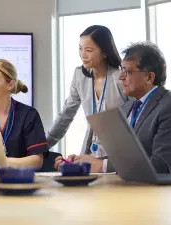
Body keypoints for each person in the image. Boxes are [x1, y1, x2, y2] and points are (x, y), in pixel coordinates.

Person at [76, 42, 171, 173]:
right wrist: (87, 161)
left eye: (127, 71)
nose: (121, 77)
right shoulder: (128, 106)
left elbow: (162, 165)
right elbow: (123, 159)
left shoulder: (167, 107)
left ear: (149, 77)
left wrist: (102, 166)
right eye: (121, 70)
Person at [52, 25, 129, 172]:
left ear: (105, 52)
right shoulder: (79, 75)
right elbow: (66, 114)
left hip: (117, 158)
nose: (83, 55)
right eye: (80, 48)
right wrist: (43, 146)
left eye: (89, 50)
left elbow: (135, 120)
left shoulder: (120, 77)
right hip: (90, 155)